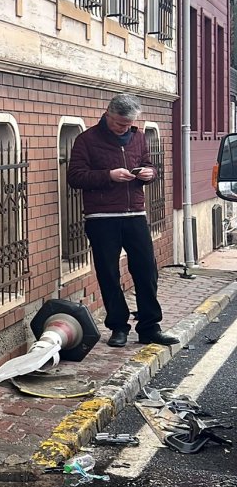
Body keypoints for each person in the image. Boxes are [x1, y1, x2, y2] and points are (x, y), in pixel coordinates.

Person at [67, 93, 179, 348]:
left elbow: (149, 165)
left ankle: (150, 327)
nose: (124, 128)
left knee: (147, 270)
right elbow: (75, 177)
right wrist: (109, 175)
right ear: (108, 114)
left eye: (128, 124)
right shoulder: (87, 140)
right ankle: (118, 327)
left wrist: (149, 174)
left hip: (135, 215)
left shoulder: (139, 137)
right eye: (119, 123)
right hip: (101, 217)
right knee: (109, 274)